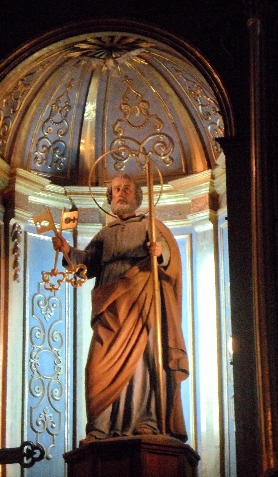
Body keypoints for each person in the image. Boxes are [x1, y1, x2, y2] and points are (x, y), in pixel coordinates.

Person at [52, 173, 189, 446]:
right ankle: (99, 427)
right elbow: (85, 265)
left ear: (136, 196)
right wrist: (68, 250)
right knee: (97, 366)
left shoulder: (150, 224)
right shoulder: (105, 233)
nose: (121, 193)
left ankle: (145, 420)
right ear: (109, 197)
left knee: (140, 362)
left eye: (126, 189)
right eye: (116, 190)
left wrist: (158, 252)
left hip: (140, 301)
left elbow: (170, 260)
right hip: (109, 304)